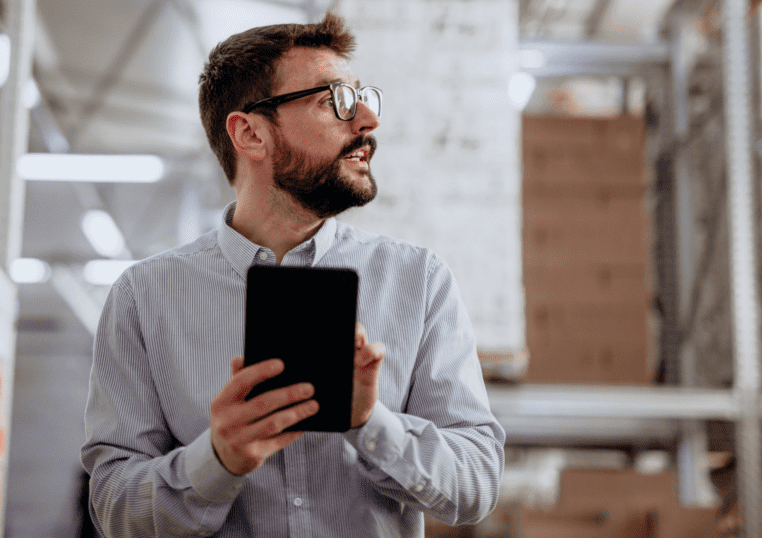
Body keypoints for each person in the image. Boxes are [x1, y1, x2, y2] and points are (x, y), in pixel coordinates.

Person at [81, 11, 505, 537]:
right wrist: (217, 460)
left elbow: (478, 484)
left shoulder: (420, 282)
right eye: (336, 102)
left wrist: (371, 424)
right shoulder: (142, 299)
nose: (367, 121)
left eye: (363, 98)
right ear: (251, 133)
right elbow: (114, 510)